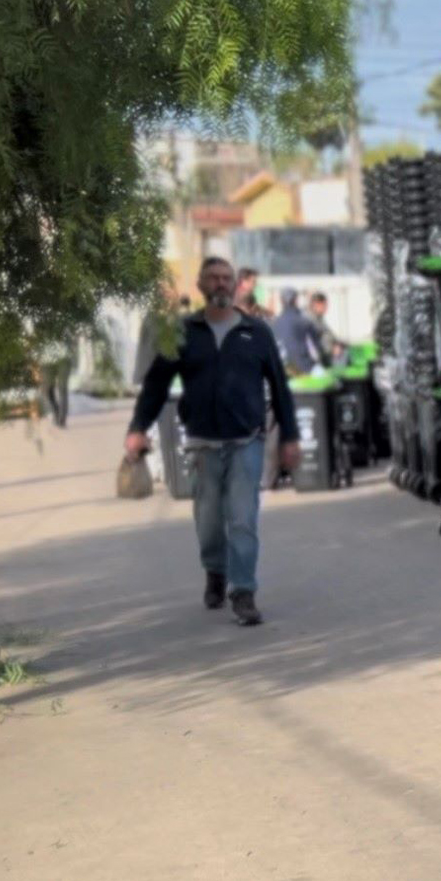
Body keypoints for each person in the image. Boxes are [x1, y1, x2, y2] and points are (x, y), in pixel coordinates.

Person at [125, 256, 301, 626]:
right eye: (214, 279)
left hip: (246, 441)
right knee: (207, 521)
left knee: (242, 518)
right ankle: (215, 571)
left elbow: (280, 388)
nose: (221, 284)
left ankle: (243, 592)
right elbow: (156, 385)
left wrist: (290, 436)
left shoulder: (256, 332)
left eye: (227, 278)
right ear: (201, 286)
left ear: (236, 285)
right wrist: (138, 427)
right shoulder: (184, 332)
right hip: (203, 442)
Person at [271, 288, 323, 376]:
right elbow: (316, 349)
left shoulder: (274, 323)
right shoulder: (304, 321)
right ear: (296, 300)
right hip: (306, 369)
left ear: (281, 301)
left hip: (284, 371)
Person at [306, 292, 345, 367]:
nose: (326, 307)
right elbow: (313, 343)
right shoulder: (310, 320)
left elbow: (329, 334)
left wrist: (339, 343)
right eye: (324, 305)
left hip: (328, 355)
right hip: (320, 359)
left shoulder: (319, 318)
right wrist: (332, 349)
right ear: (316, 305)